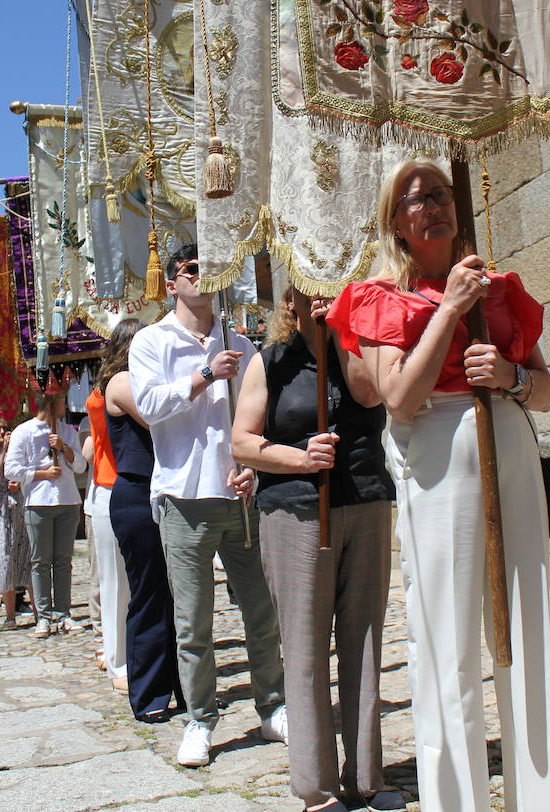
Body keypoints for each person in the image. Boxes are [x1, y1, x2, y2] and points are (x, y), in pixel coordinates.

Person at [326, 159, 550, 811]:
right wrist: (451, 309)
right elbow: (399, 398)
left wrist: (510, 374)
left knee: (524, 622)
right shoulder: (379, 297)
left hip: (508, 444)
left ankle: (538, 798)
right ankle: (457, 800)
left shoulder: (501, 286)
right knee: (446, 638)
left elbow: (544, 392)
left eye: (439, 193)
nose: (431, 205)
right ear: (395, 223)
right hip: (436, 459)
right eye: (414, 199)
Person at [234, 288, 400, 812]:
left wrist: (346, 330)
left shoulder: (360, 347)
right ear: (291, 301)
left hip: (366, 499)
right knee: (305, 649)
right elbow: (242, 441)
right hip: (295, 511)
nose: (325, 294)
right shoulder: (270, 363)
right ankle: (315, 786)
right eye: (314, 286)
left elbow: (372, 396)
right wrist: (299, 457)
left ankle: (367, 778)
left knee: (365, 642)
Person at [129, 244, 287, 767]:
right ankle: (200, 719)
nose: (202, 277)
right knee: (194, 621)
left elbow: (256, 418)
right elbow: (149, 406)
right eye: (191, 271)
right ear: (171, 283)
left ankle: (273, 706)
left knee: (261, 611)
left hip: (238, 495)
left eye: (210, 269)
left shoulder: (240, 341)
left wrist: (254, 466)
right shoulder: (151, 342)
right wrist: (204, 375)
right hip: (182, 495)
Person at [107, 318, 188, 719]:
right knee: (150, 594)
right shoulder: (121, 383)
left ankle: (185, 687)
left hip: (165, 490)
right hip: (137, 494)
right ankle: (149, 694)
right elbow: (160, 416)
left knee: (179, 596)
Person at [6, 391, 86, 637]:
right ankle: (43, 615)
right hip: (38, 502)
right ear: (51, 403)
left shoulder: (68, 431)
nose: (65, 403)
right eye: (62, 400)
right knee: (40, 561)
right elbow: (11, 469)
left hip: (67, 500)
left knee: (63, 561)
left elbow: (81, 465)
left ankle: (63, 613)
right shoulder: (24, 431)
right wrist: (40, 474)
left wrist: (63, 448)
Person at [84, 325, 131, 691]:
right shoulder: (111, 391)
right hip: (112, 485)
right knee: (115, 582)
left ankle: (126, 655)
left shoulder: (102, 388)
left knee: (126, 583)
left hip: (117, 488)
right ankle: (118, 662)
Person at [0, 417, 33, 629]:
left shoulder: (19, 450)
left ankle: (40, 613)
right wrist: (4, 449)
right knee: (5, 558)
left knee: (26, 556)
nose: (2, 431)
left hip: (18, 505)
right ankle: (9, 615)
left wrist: (18, 483)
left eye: (6, 428)